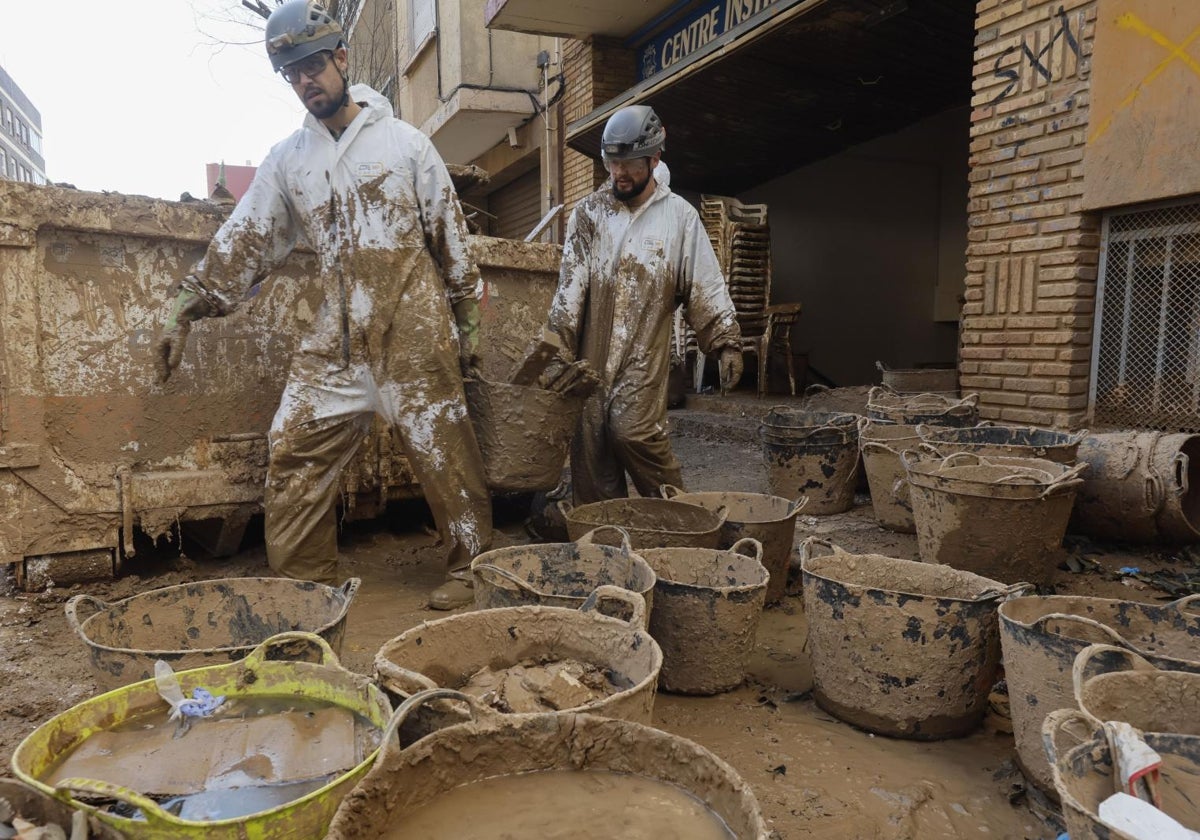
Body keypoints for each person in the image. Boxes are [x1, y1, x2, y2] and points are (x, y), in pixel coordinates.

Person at [153, 0, 490, 610]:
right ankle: (308, 579)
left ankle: (472, 567)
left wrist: (467, 325)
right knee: (292, 445)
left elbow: (451, 237)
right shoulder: (290, 159)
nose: (306, 80)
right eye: (292, 72)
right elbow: (246, 235)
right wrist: (188, 306)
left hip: (413, 327)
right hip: (337, 333)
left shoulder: (406, 145)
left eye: (313, 64)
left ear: (340, 58)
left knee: (444, 449)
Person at [547, 105, 743, 502]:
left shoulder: (679, 218)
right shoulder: (589, 214)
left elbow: (704, 280)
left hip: (644, 351)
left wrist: (725, 340)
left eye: (630, 164)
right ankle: (604, 544)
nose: (619, 173)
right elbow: (569, 287)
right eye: (611, 162)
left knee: (632, 430)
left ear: (654, 159)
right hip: (590, 355)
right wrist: (556, 347)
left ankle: (680, 520)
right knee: (592, 451)